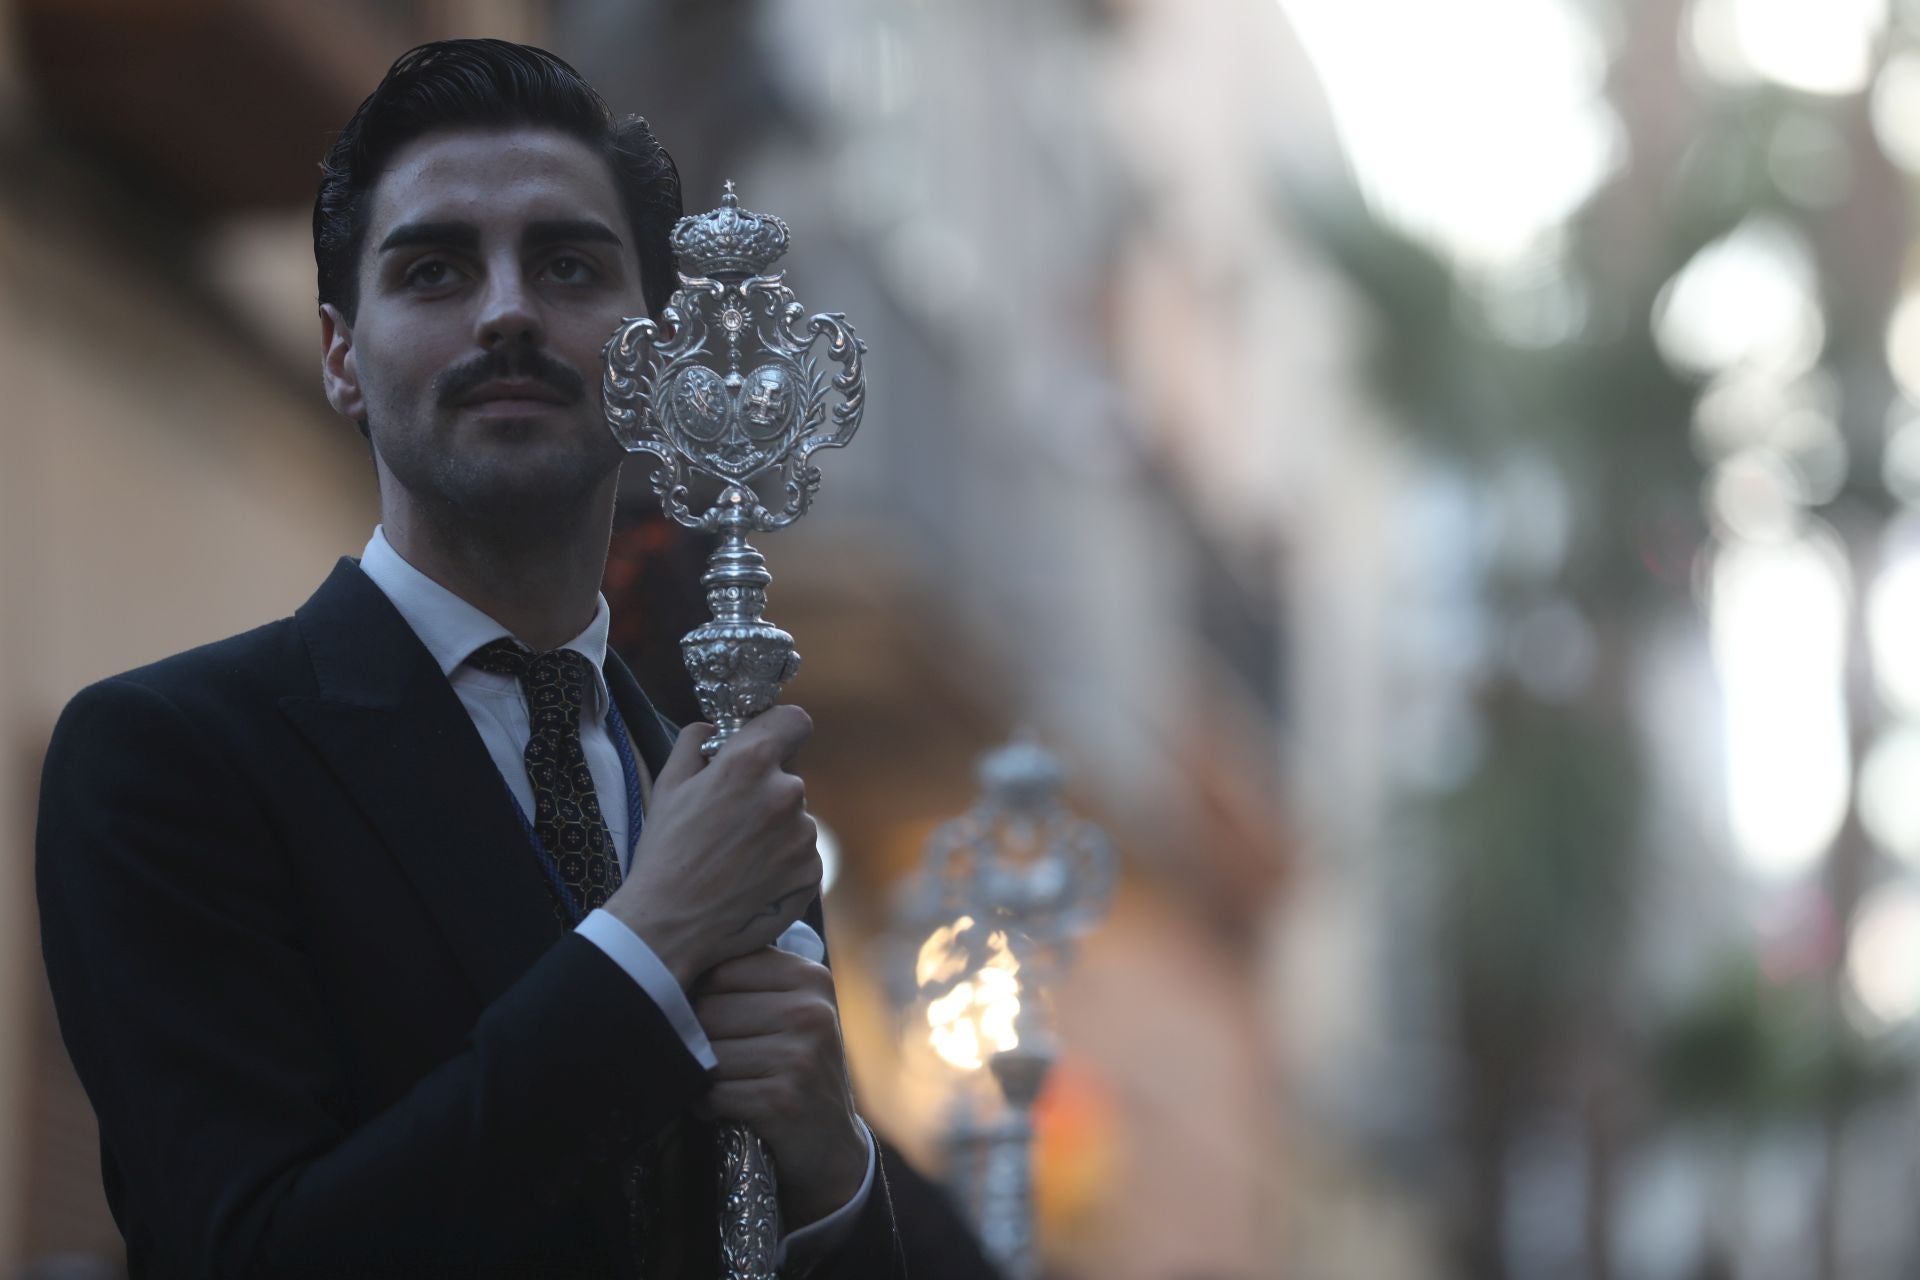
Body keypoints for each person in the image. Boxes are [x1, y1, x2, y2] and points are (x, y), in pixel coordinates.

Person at [35, 39, 911, 1278]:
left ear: (655, 355)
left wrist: (832, 1171)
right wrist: (647, 949)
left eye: (566, 263)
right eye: (436, 268)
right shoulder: (170, 760)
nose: (507, 310)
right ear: (342, 355)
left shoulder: (722, 805)